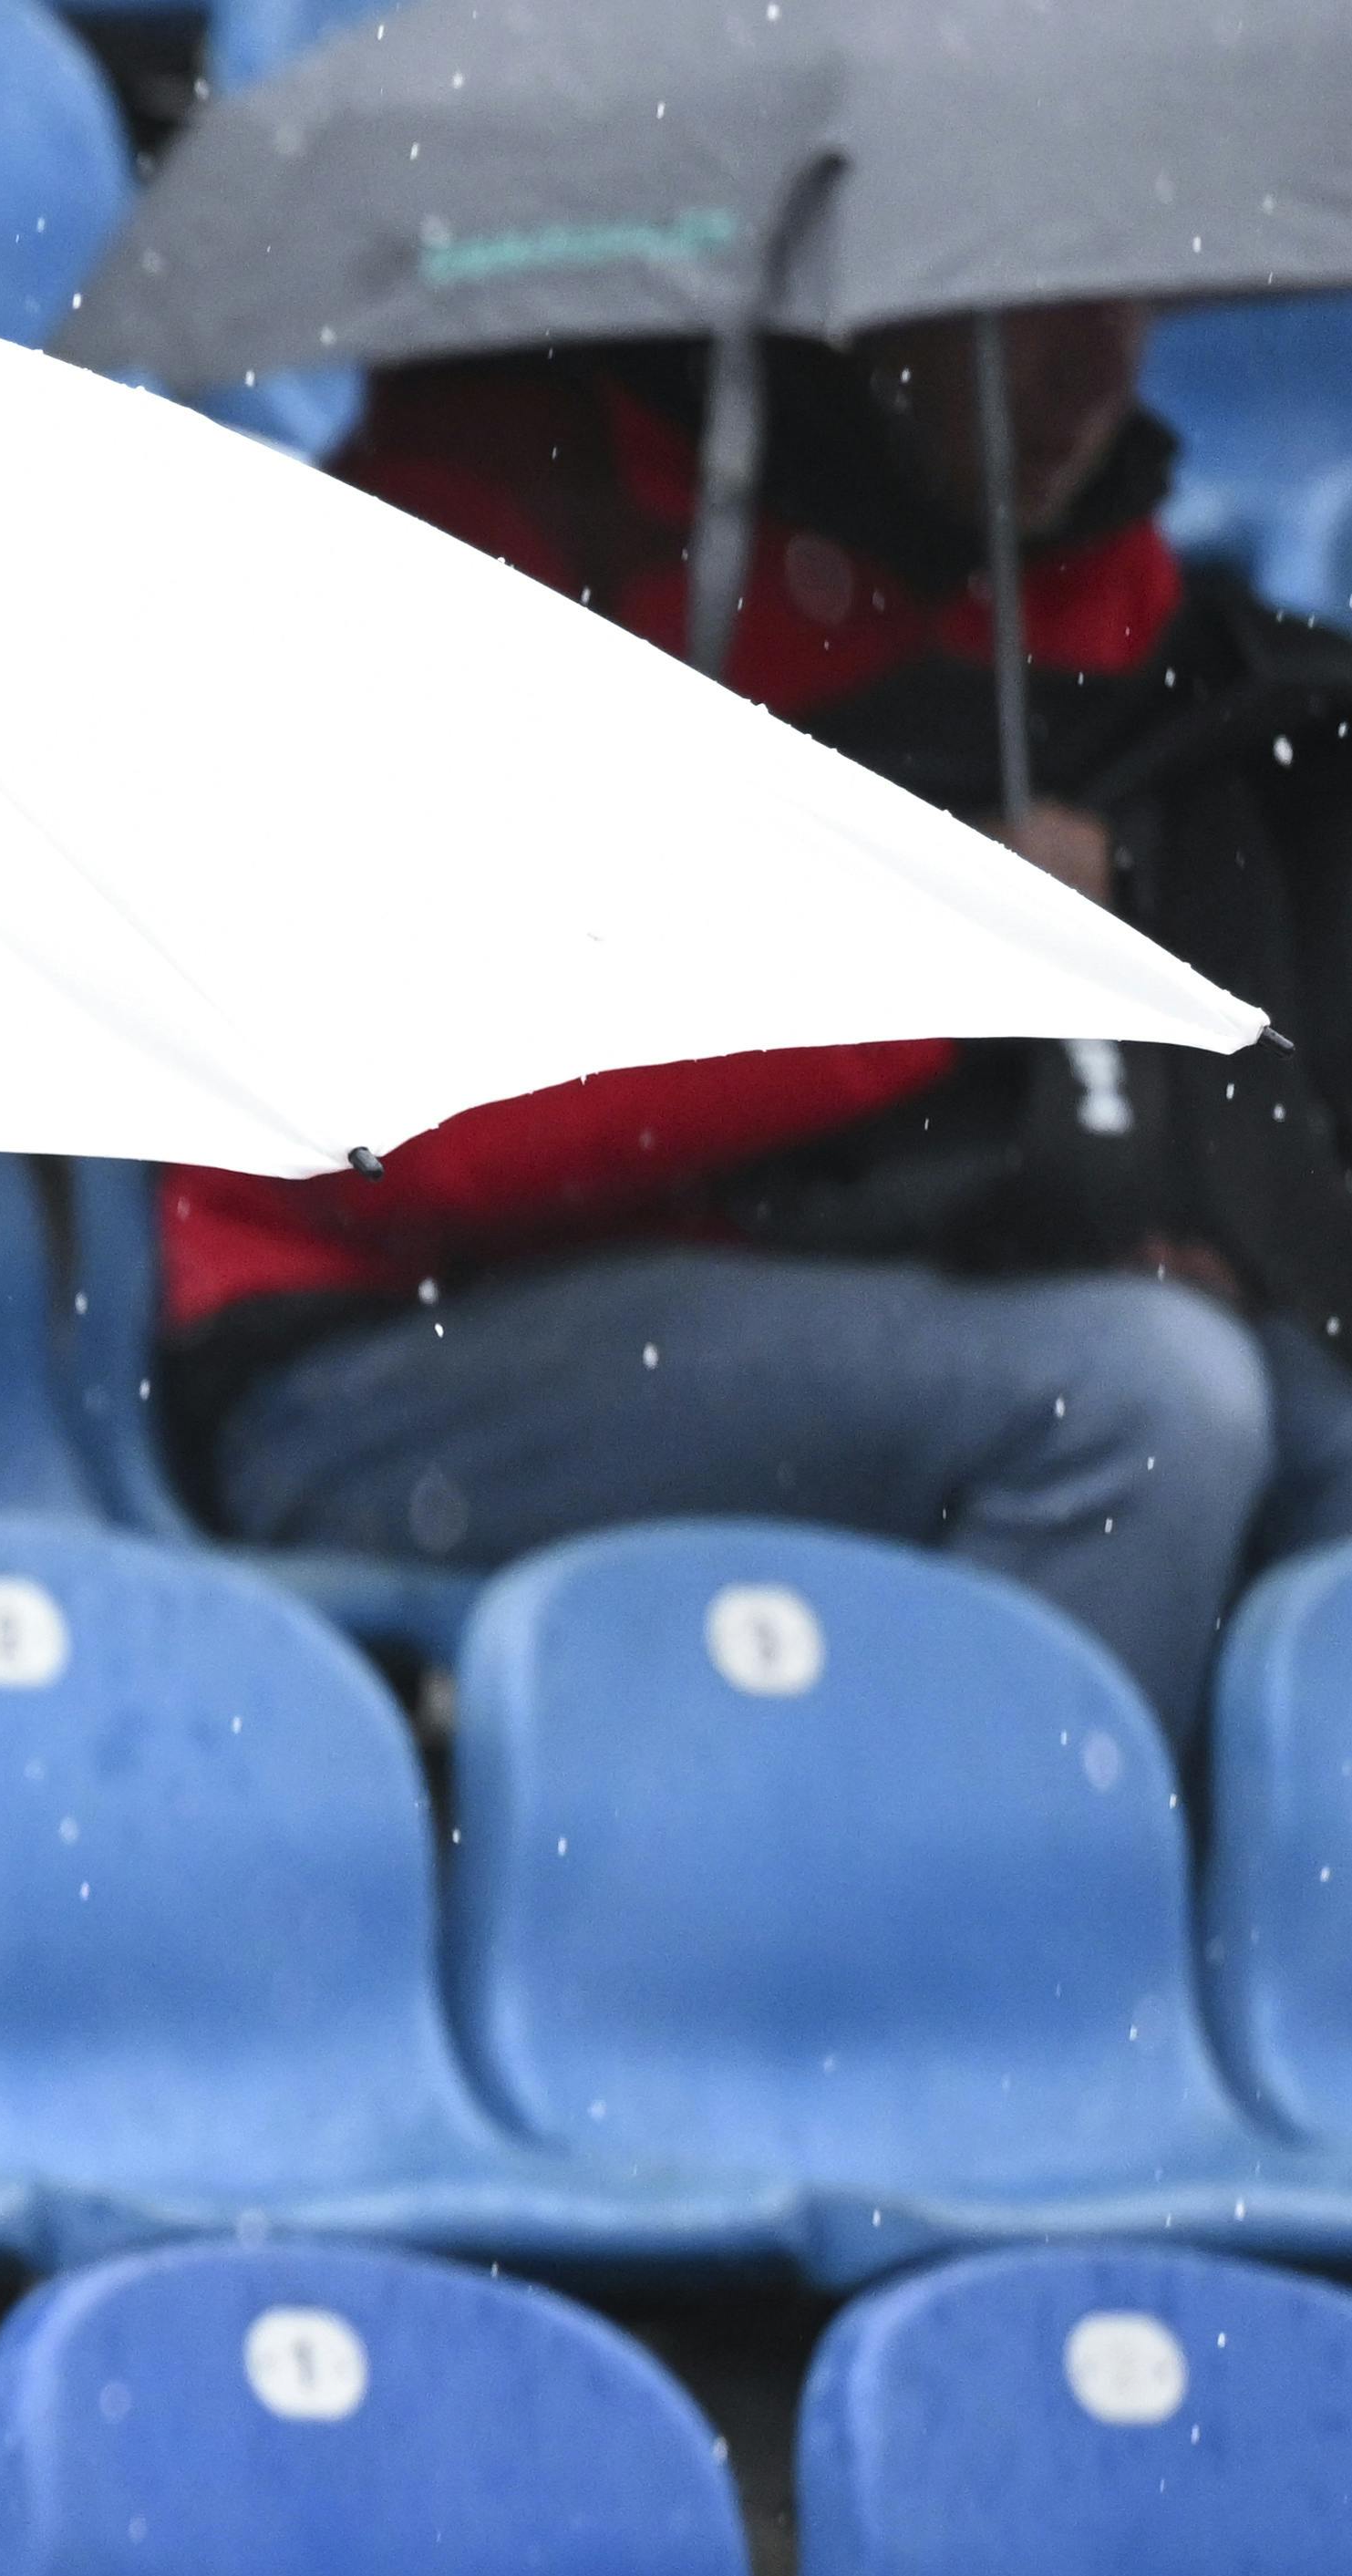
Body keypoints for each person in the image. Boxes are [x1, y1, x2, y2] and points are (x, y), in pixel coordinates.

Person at [173, 308, 1352, 1740]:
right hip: (372, 1350)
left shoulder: (1082, 569)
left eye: (1127, 310)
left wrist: (1161, 1206)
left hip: (836, 1285)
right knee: (1144, 1405)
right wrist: (929, 944)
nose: (1096, 379)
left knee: (1309, 1415)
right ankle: (993, 1944)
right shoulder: (478, 511)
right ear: (876, 295)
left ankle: (1224, 1947)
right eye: (1035, 320)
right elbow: (390, 1121)